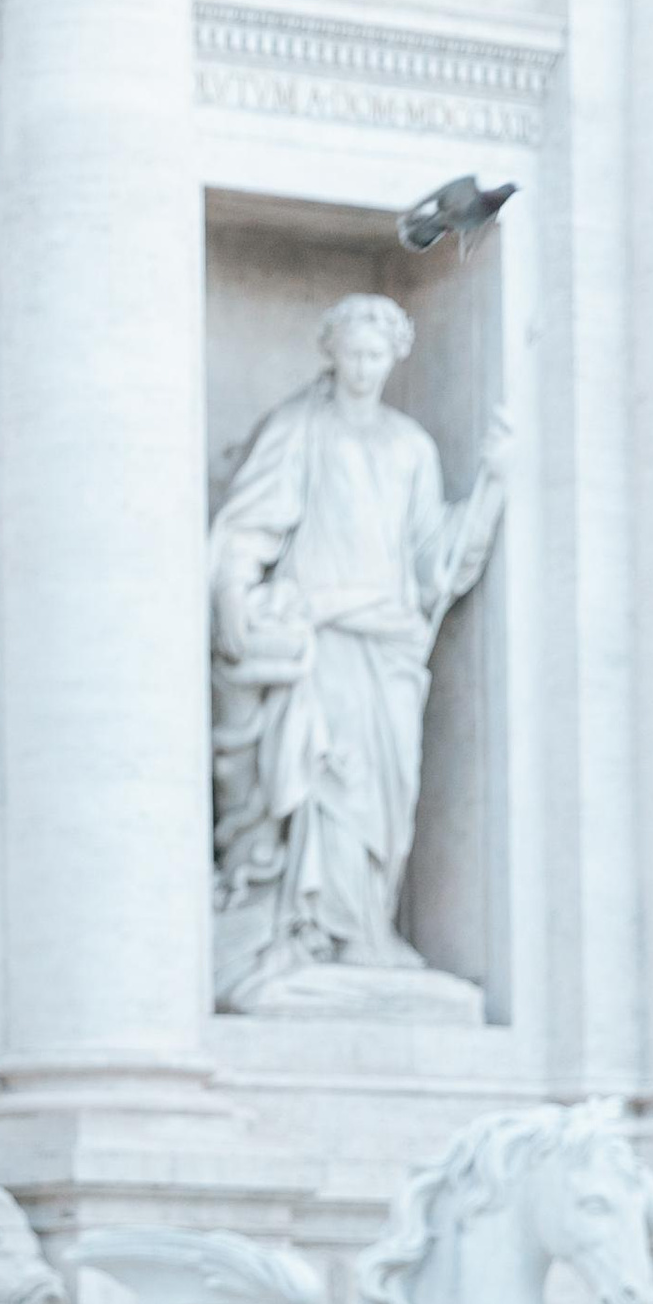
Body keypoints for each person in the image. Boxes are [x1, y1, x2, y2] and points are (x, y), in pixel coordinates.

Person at [208, 291, 509, 1010]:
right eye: (354, 352)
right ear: (332, 352)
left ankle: (368, 926)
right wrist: (233, 596)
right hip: (324, 635)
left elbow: (436, 558)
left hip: (390, 640)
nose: (365, 367)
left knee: (387, 796)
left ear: (394, 357)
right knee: (327, 786)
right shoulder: (299, 429)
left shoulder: (411, 447)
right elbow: (250, 525)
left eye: (378, 355)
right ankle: (317, 931)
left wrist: (494, 485)